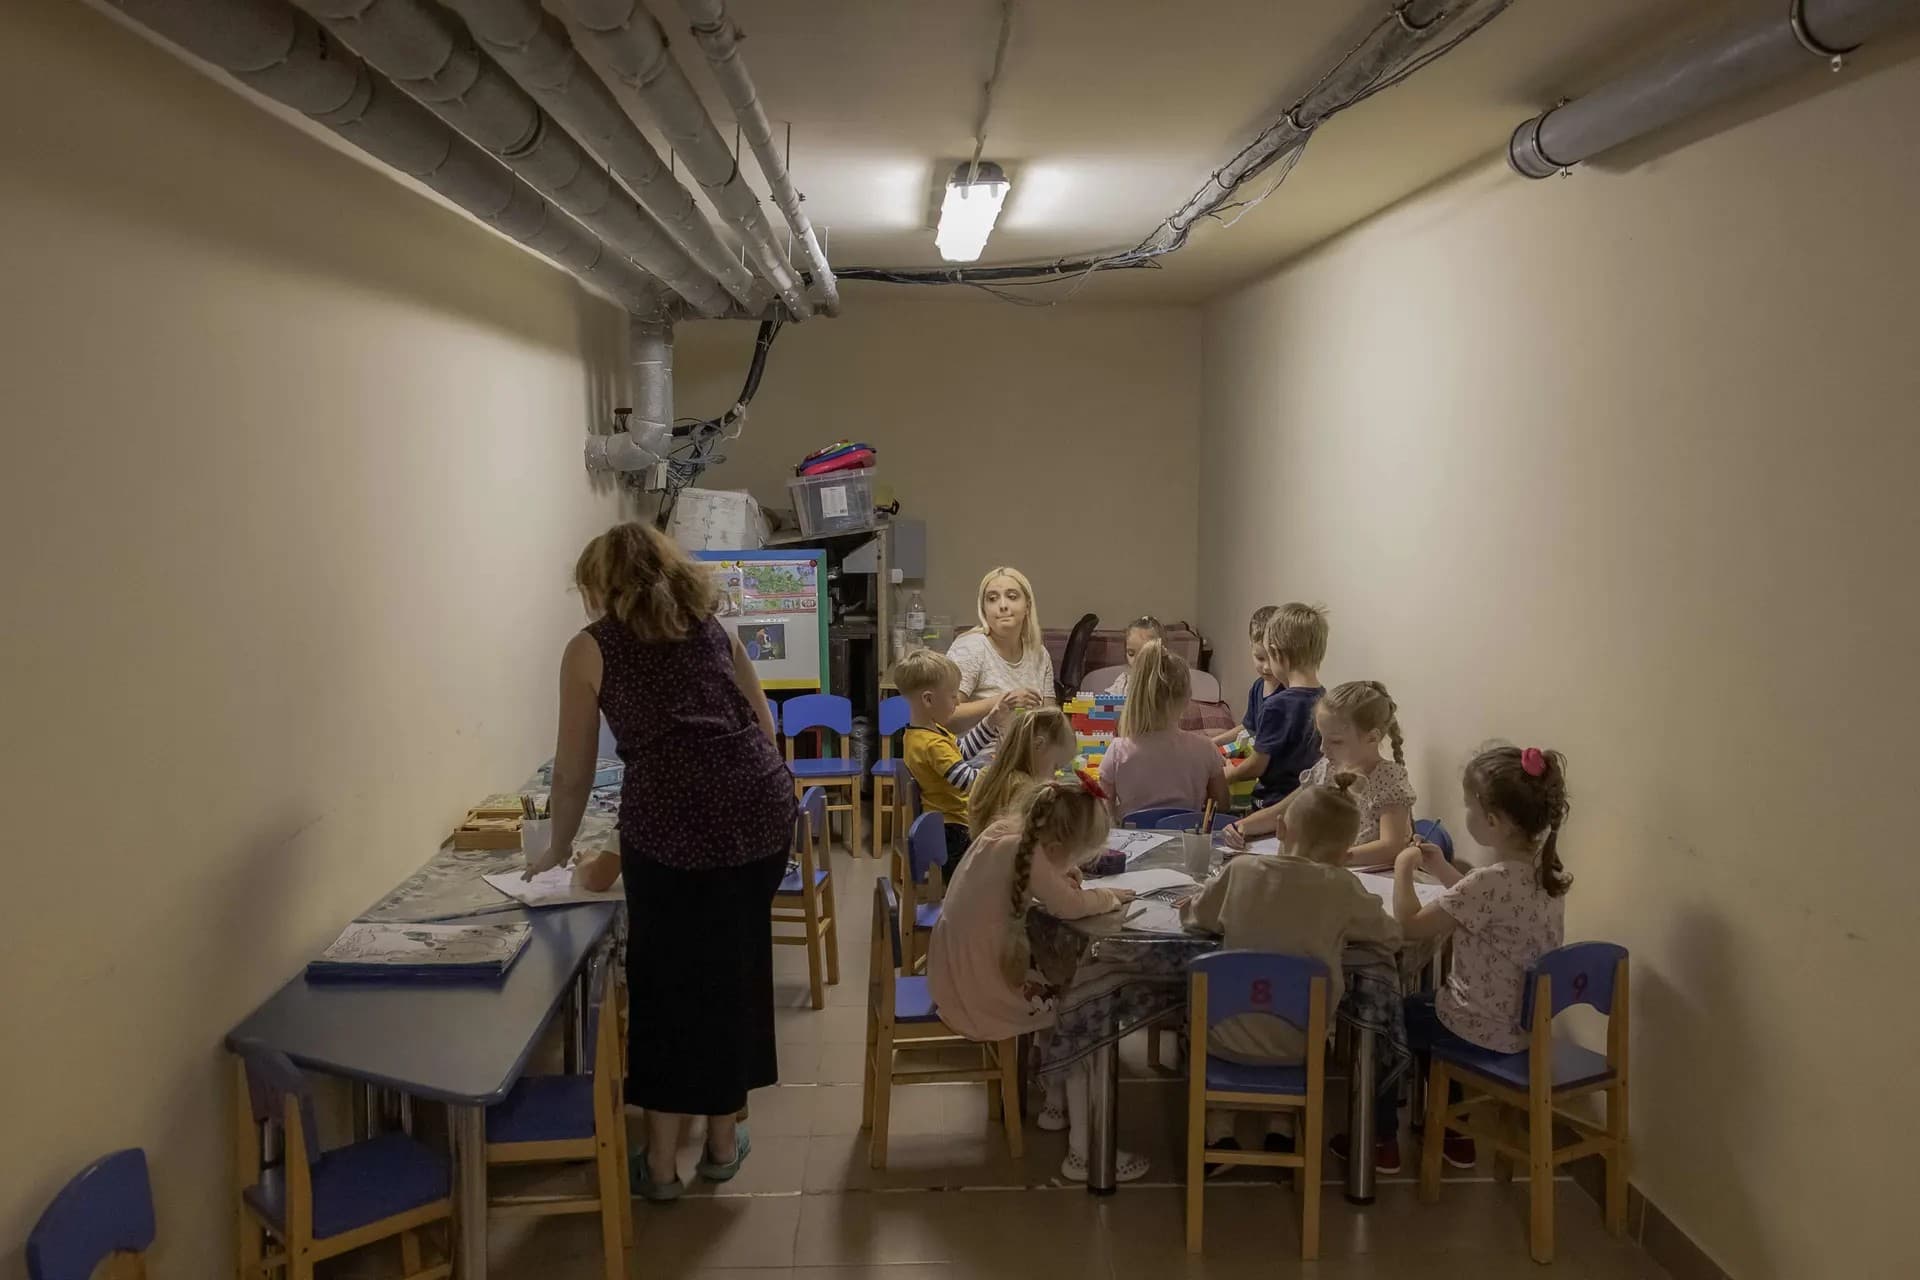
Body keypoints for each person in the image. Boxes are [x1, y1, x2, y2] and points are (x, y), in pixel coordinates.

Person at [528, 521, 795, 1201]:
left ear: (601, 585)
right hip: (758, 813)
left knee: (668, 986)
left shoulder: (590, 649)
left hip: (673, 828)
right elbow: (764, 730)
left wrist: (557, 849)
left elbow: (573, 772)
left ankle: (664, 1160)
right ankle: (722, 1139)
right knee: (732, 971)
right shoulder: (712, 628)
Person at [1342, 744, 1573, 1174]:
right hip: (1518, 1027)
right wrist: (1443, 866)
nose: (1464, 815)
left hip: (1475, 1025)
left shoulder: (1488, 882)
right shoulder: (1542, 876)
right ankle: (1455, 1134)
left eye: (1469, 807)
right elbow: (1476, 902)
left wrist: (1405, 867)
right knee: (1431, 1013)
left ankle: (1379, 1140)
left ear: (1492, 821)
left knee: (1388, 1018)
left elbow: (1410, 925)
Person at [928, 777, 1144, 1183]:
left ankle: (1055, 1105)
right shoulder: (1025, 854)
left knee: (1060, 992)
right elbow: (1070, 906)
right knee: (1081, 1016)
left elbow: (1044, 878)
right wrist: (1111, 896)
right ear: (1060, 847)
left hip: (955, 965)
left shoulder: (1006, 832)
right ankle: (1084, 1153)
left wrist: (1063, 872)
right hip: (980, 985)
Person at [1180, 773, 1399, 1166]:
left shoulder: (1241, 870)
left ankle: (1220, 1130)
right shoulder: (1342, 887)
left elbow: (1197, 919)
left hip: (1221, 1037)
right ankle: (1281, 1127)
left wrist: (1190, 904)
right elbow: (1391, 935)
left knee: (1211, 1013)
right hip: (1303, 1045)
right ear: (1348, 849)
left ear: (1280, 828)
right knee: (1289, 1013)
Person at [1223, 680, 1414, 868]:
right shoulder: (1326, 769)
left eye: (1336, 742)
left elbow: (1390, 847)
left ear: (1372, 737)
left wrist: (1333, 857)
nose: (1323, 748)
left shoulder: (1388, 778)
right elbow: (1284, 811)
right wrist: (1242, 826)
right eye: (1322, 737)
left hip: (1370, 879)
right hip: (1326, 872)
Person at [894, 649, 1010, 881]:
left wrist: (990, 722)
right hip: (953, 830)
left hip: (948, 823)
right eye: (952, 695)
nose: (957, 701)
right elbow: (969, 783)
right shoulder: (932, 744)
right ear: (928, 699)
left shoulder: (923, 733)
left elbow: (962, 752)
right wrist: (1001, 768)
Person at [1098, 641, 1232, 821]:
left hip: (1134, 845)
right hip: (1185, 841)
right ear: (1187, 699)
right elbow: (1222, 806)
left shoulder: (1116, 752)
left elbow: (1104, 813)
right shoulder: (1206, 749)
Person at [1223, 603, 1327, 806]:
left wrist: (1229, 774)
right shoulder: (1325, 699)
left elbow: (1257, 766)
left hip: (1273, 802)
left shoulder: (1277, 705)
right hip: (1309, 803)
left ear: (1276, 654)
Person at [947, 566, 1054, 730]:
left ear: (1027, 606)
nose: (1003, 605)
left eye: (1012, 597)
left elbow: (1050, 720)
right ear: (984, 609)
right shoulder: (971, 649)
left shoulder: (1040, 654)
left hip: (1026, 752)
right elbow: (944, 717)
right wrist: (1003, 702)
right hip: (974, 753)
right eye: (992, 599)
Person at [967, 707, 1077, 838]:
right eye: (1055, 767)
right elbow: (1026, 840)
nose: (1055, 776)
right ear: (1038, 745)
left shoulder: (986, 774)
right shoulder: (1025, 787)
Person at [1211, 605, 1279, 747]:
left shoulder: (1288, 694)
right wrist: (1212, 743)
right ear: (1251, 646)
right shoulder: (1258, 687)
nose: (1267, 667)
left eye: (1274, 658)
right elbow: (1248, 728)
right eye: (1260, 658)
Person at [1104, 615, 1167, 695]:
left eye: (1144, 653)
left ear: (1161, 652)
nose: (1136, 660)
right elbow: (1108, 702)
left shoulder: (1169, 681)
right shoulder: (1124, 682)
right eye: (1131, 653)